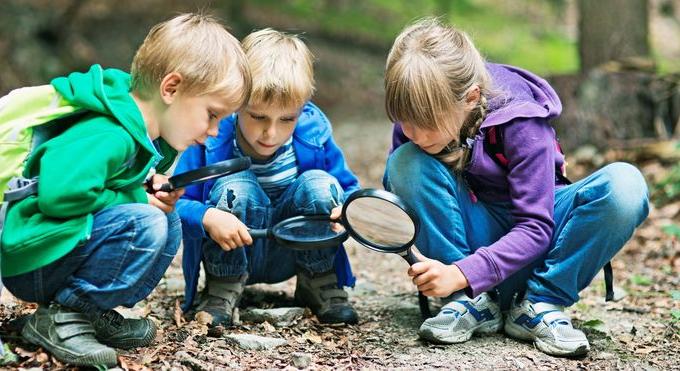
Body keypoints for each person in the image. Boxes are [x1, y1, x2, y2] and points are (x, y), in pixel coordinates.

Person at [382, 18, 649, 357]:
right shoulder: (415, 126)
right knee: (405, 161)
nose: (412, 133)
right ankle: (468, 304)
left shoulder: (521, 122)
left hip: (538, 251)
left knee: (625, 185)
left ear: (470, 97)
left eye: (425, 123)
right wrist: (367, 216)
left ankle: (540, 304)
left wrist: (463, 272)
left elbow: (536, 228)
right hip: (468, 257)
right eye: (403, 119)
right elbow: (408, 203)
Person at [0, 13, 250, 367]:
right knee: (145, 222)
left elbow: (109, 186)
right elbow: (59, 196)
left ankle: (87, 312)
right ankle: (60, 317)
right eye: (212, 114)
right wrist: (136, 198)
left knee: (167, 219)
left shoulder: (137, 134)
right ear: (171, 88)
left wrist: (146, 186)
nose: (213, 131)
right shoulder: (109, 133)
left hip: (58, 250)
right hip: (34, 259)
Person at [176, 28, 360, 327]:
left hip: (293, 249)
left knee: (319, 183)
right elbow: (177, 204)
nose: (271, 133)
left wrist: (348, 210)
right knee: (236, 185)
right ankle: (223, 287)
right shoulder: (211, 138)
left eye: (286, 119)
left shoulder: (313, 135)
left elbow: (349, 189)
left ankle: (317, 280)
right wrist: (207, 216)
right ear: (237, 103)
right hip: (233, 248)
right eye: (258, 117)